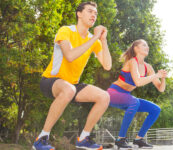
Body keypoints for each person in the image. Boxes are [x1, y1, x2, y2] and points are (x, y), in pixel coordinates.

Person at [32, 2, 111, 150]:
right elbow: (69, 56)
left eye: (96, 13)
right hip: (50, 81)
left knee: (104, 97)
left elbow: (107, 65)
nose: (94, 15)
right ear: (79, 14)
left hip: (72, 86)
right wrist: (94, 38)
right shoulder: (66, 31)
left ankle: (83, 138)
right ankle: (41, 138)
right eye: (90, 11)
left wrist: (103, 40)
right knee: (69, 89)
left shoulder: (93, 40)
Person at [107, 39, 168, 149]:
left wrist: (162, 78)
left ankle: (138, 139)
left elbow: (161, 89)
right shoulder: (132, 62)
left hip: (126, 96)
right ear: (136, 48)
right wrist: (156, 75)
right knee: (134, 101)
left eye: (147, 45)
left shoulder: (148, 67)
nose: (147, 47)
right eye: (144, 45)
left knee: (155, 109)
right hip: (113, 93)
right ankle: (120, 139)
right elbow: (138, 82)